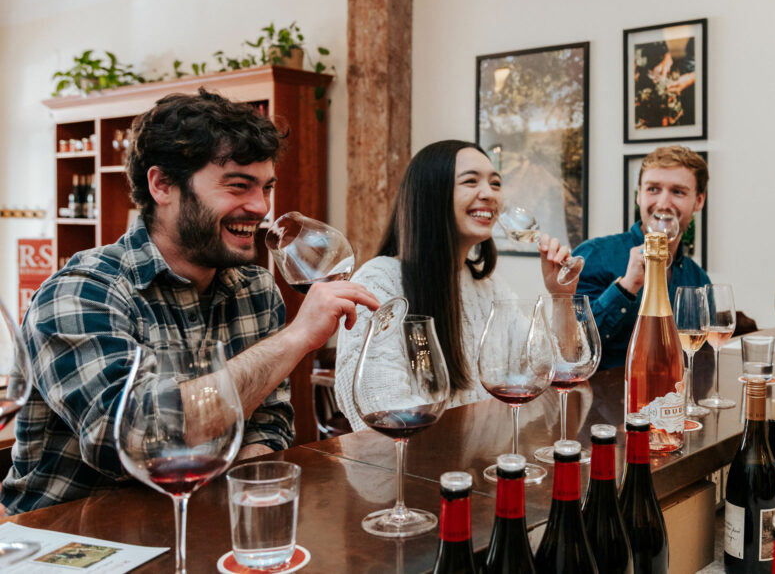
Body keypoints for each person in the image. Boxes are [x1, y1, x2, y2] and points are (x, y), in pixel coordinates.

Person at [1, 89, 378, 515]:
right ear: (162, 185)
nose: (260, 207)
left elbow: (269, 422)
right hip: (70, 543)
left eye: (266, 187)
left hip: (196, 527)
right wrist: (296, 340)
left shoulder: (256, 290)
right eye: (238, 186)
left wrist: (241, 502)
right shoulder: (81, 291)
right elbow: (131, 443)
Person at [334, 140, 575, 430]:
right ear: (430, 194)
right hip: (409, 469)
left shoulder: (490, 288)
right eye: (471, 181)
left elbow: (552, 369)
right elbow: (378, 408)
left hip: (481, 466)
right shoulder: (378, 282)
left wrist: (561, 296)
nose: (489, 194)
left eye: (495, 183)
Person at [574, 146, 709, 370]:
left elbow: (701, 360)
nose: (664, 203)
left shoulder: (698, 279)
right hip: (604, 403)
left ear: (699, 201)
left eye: (678, 192)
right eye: (653, 189)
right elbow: (572, 349)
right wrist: (626, 287)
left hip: (674, 402)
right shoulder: (592, 256)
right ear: (639, 195)